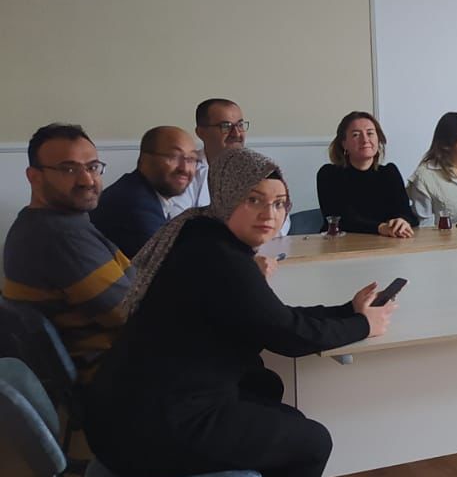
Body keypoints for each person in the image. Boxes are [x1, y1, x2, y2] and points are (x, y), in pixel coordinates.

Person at [82, 147, 396, 477]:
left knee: (275, 407)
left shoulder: (203, 239)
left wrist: (347, 313)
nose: (269, 213)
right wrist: (361, 326)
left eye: (279, 203)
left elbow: (271, 318)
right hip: (150, 430)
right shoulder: (219, 258)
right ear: (227, 196)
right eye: (254, 199)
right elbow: (285, 335)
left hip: (131, 416)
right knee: (310, 443)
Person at [2, 124, 132, 382]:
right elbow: (131, 313)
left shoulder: (44, 223)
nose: (87, 180)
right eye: (68, 169)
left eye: (93, 167)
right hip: (115, 376)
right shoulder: (60, 236)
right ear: (34, 176)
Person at [175, 98, 290, 236]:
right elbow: (179, 224)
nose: (236, 133)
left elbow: (281, 225)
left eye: (240, 125)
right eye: (226, 126)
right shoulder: (186, 171)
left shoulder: (260, 169)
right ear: (201, 132)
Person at [90, 125, 200, 257]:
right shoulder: (136, 205)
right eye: (173, 156)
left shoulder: (137, 189)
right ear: (144, 159)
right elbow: (169, 263)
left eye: (191, 159)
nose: (184, 168)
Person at [315, 111, 417, 237]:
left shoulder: (389, 172)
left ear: (378, 139)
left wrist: (402, 221)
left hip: (386, 243)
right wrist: (380, 228)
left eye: (370, 133)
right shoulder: (329, 174)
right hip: (341, 244)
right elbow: (340, 219)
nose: (365, 140)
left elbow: (406, 213)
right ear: (344, 143)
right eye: (356, 135)